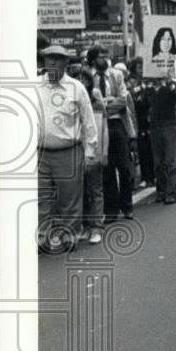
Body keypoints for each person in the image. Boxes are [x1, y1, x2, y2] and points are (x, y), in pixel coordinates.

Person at [36, 44, 98, 253]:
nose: (52, 63)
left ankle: (70, 236)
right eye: (49, 59)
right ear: (44, 62)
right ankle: (42, 238)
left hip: (68, 151)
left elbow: (88, 122)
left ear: (66, 64)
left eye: (57, 59)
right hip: (40, 153)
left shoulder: (76, 88)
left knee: (69, 198)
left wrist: (90, 153)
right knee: (41, 198)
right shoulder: (34, 86)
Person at [87, 43, 136, 221]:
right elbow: (89, 103)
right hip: (99, 125)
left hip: (117, 124)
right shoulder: (88, 76)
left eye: (106, 55)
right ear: (93, 59)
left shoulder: (116, 75)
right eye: (101, 56)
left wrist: (104, 106)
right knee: (106, 169)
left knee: (124, 167)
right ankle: (111, 210)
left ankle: (127, 206)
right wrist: (107, 103)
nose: (105, 59)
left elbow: (123, 99)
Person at [75, 66, 108, 243]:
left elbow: (103, 130)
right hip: (75, 151)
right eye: (78, 78)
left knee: (95, 190)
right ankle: (84, 226)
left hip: (94, 151)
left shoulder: (97, 103)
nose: (82, 82)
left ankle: (97, 227)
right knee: (78, 191)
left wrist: (104, 152)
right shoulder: (70, 102)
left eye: (85, 79)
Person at [147, 70, 176, 204]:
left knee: (170, 160)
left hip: (169, 124)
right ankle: (161, 190)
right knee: (158, 161)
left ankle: (171, 192)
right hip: (155, 126)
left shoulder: (170, 87)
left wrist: (170, 82)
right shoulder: (148, 90)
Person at [127, 57, 154, 187]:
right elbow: (130, 94)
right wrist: (141, 87)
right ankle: (145, 176)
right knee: (142, 148)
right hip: (137, 116)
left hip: (148, 115)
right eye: (139, 67)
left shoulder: (148, 79)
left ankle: (153, 175)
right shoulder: (130, 81)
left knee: (151, 146)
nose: (141, 69)